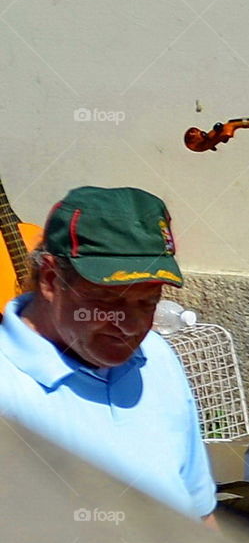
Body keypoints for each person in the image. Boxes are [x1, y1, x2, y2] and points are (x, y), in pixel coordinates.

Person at [0, 186, 217, 525]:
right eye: (108, 301)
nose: (131, 327)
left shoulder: (156, 356)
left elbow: (201, 515)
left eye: (148, 302)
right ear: (50, 279)